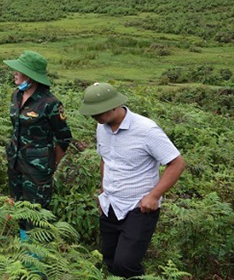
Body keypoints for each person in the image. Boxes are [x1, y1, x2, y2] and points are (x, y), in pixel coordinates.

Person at [79, 82, 185, 278]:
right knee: (109, 259)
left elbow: (176, 163)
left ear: (113, 105)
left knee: (125, 263)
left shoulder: (146, 130)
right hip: (111, 203)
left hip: (139, 207)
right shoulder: (101, 127)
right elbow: (106, 159)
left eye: (98, 112)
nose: (95, 117)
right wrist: (103, 192)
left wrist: (154, 196)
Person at [3, 51, 72, 238]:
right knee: (19, 207)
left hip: (38, 167)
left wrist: (51, 163)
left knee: (36, 212)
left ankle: (36, 254)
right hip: (15, 162)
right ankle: (23, 247)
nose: (14, 73)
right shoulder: (16, 96)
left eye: (19, 70)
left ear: (31, 76)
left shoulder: (50, 103)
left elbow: (64, 137)